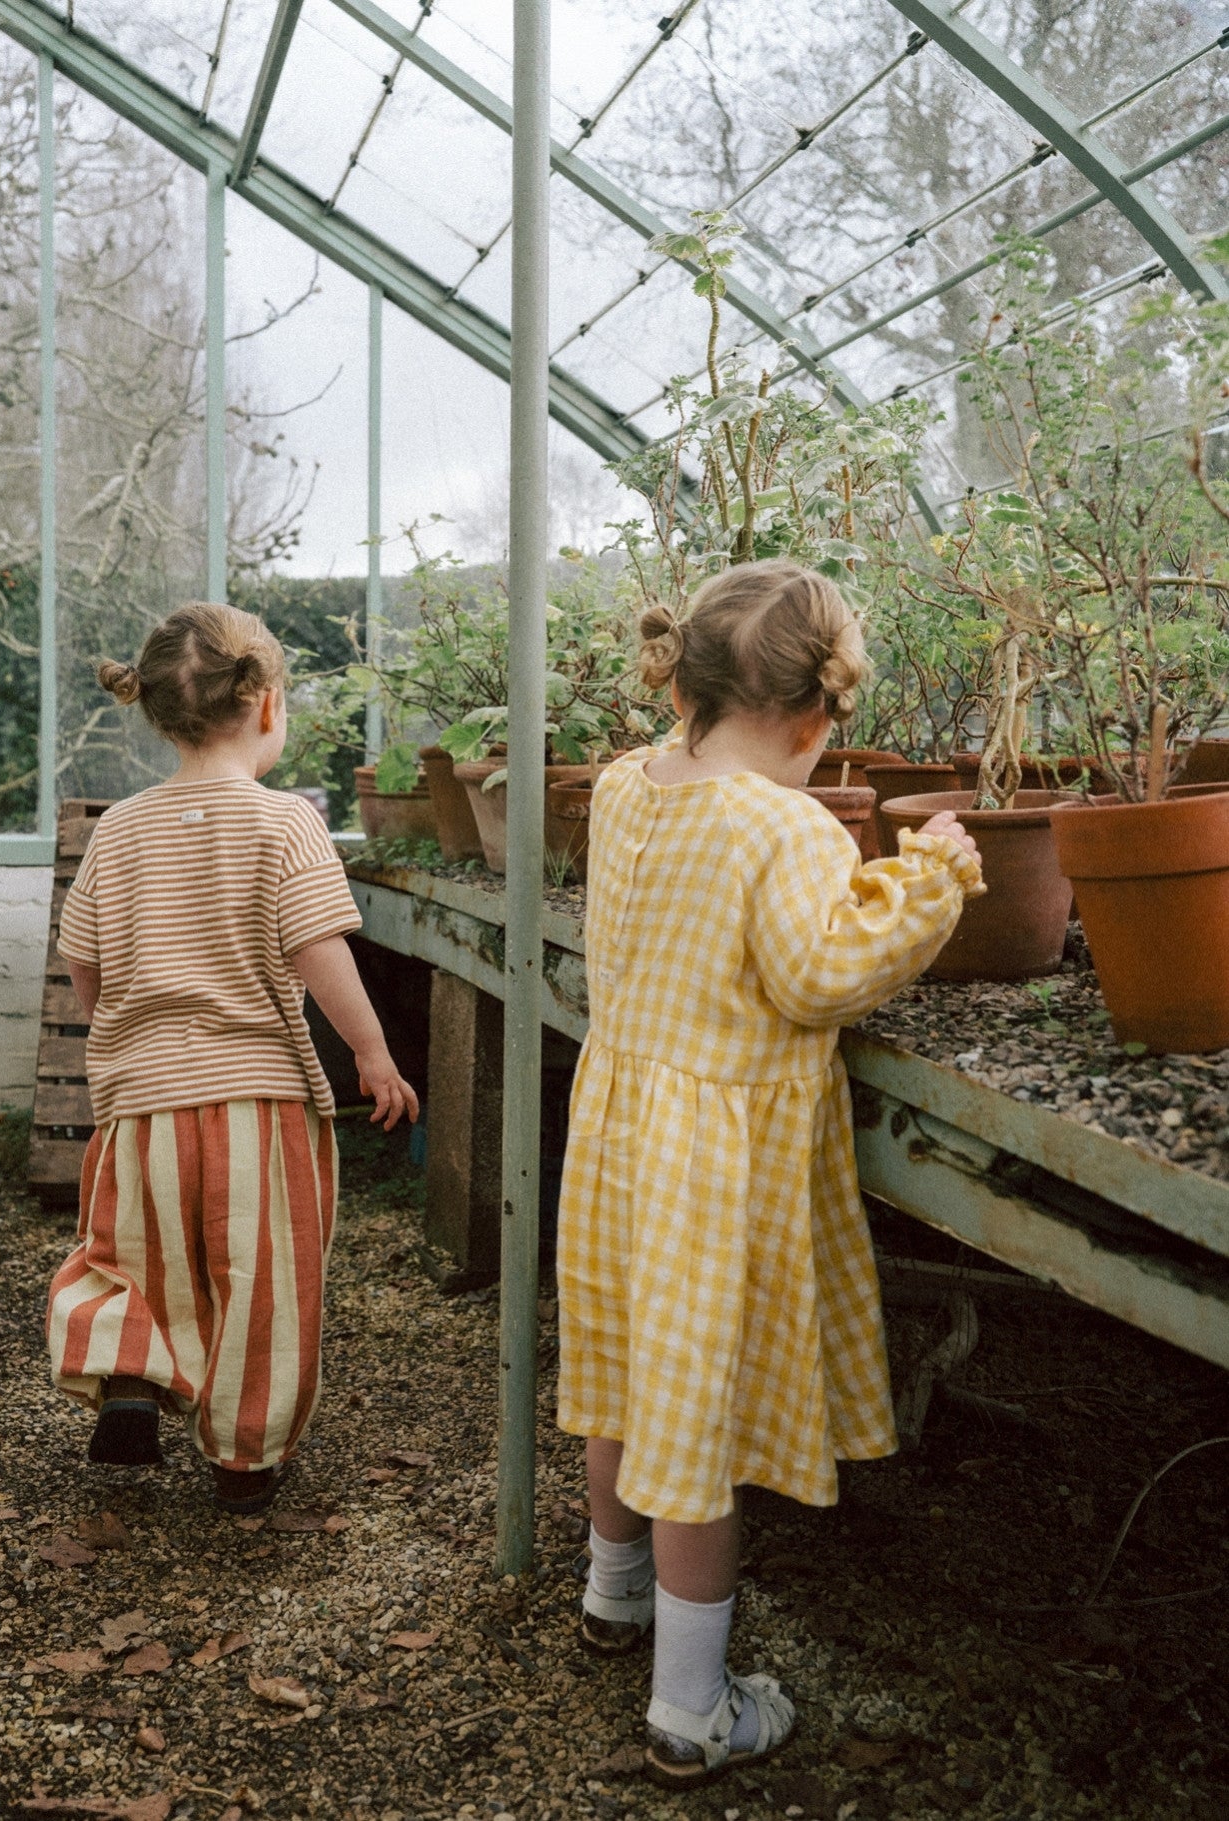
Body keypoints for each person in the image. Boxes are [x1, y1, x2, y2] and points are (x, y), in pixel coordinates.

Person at [556, 560, 983, 1787]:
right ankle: (692, 1708)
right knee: (695, 1426)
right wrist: (930, 880)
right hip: (711, 1163)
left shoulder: (632, 784)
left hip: (621, 1129)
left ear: (684, 681)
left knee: (623, 1372)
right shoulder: (783, 823)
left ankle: (611, 1593)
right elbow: (816, 975)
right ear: (814, 716)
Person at [46, 602, 418, 1515]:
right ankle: (244, 1458)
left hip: (142, 1108)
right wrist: (371, 1053)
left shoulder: (120, 830)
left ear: (158, 714)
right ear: (264, 705)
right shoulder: (284, 822)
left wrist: (120, 1037)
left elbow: (84, 963)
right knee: (264, 1283)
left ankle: (131, 1368)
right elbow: (319, 949)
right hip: (259, 1105)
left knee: (132, 1255)